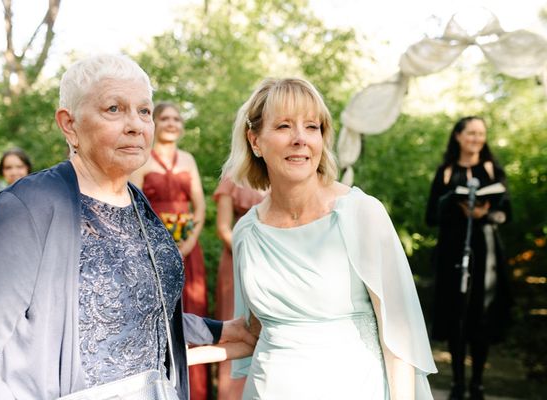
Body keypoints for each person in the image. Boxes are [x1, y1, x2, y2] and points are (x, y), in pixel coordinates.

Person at [0, 54, 255, 400]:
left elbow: (130, 314)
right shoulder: (28, 208)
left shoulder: (139, 205)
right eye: (114, 109)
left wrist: (223, 332)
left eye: (144, 111)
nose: (136, 125)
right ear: (69, 124)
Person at [222, 77, 437, 399]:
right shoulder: (247, 232)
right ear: (255, 141)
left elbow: (400, 340)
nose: (300, 139)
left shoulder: (361, 213)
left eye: (312, 127)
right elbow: (250, 334)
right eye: (283, 126)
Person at [425, 116, 512, 400]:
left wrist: (484, 214)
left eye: (481, 134)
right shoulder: (446, 171)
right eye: (471, 133)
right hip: (453, 248)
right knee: (456, 312)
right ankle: (457, 383)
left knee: (481, 314)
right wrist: (453, 204)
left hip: (486, 250)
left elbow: (506, 213)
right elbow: (430, 216)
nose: (476, 138)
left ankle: (478, 383)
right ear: (459, 136)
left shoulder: (491, 168)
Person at [130, 101, 210, 400]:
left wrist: (189, 242)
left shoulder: (188, 159)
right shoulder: (141, 158)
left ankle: (197, 392)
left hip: (190, 247)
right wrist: (156, 244)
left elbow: (199, 206)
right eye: (165, 118)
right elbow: (135, 203)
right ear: (155, 122)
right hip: (151, 247)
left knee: (193, 311)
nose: (172, 123)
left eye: (177, 119)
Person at [213, 177, 265, 399]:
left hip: (274, 262)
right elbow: (223, 227)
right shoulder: (232, 179)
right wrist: (247, 254)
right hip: (238, 257)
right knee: (237, 323)